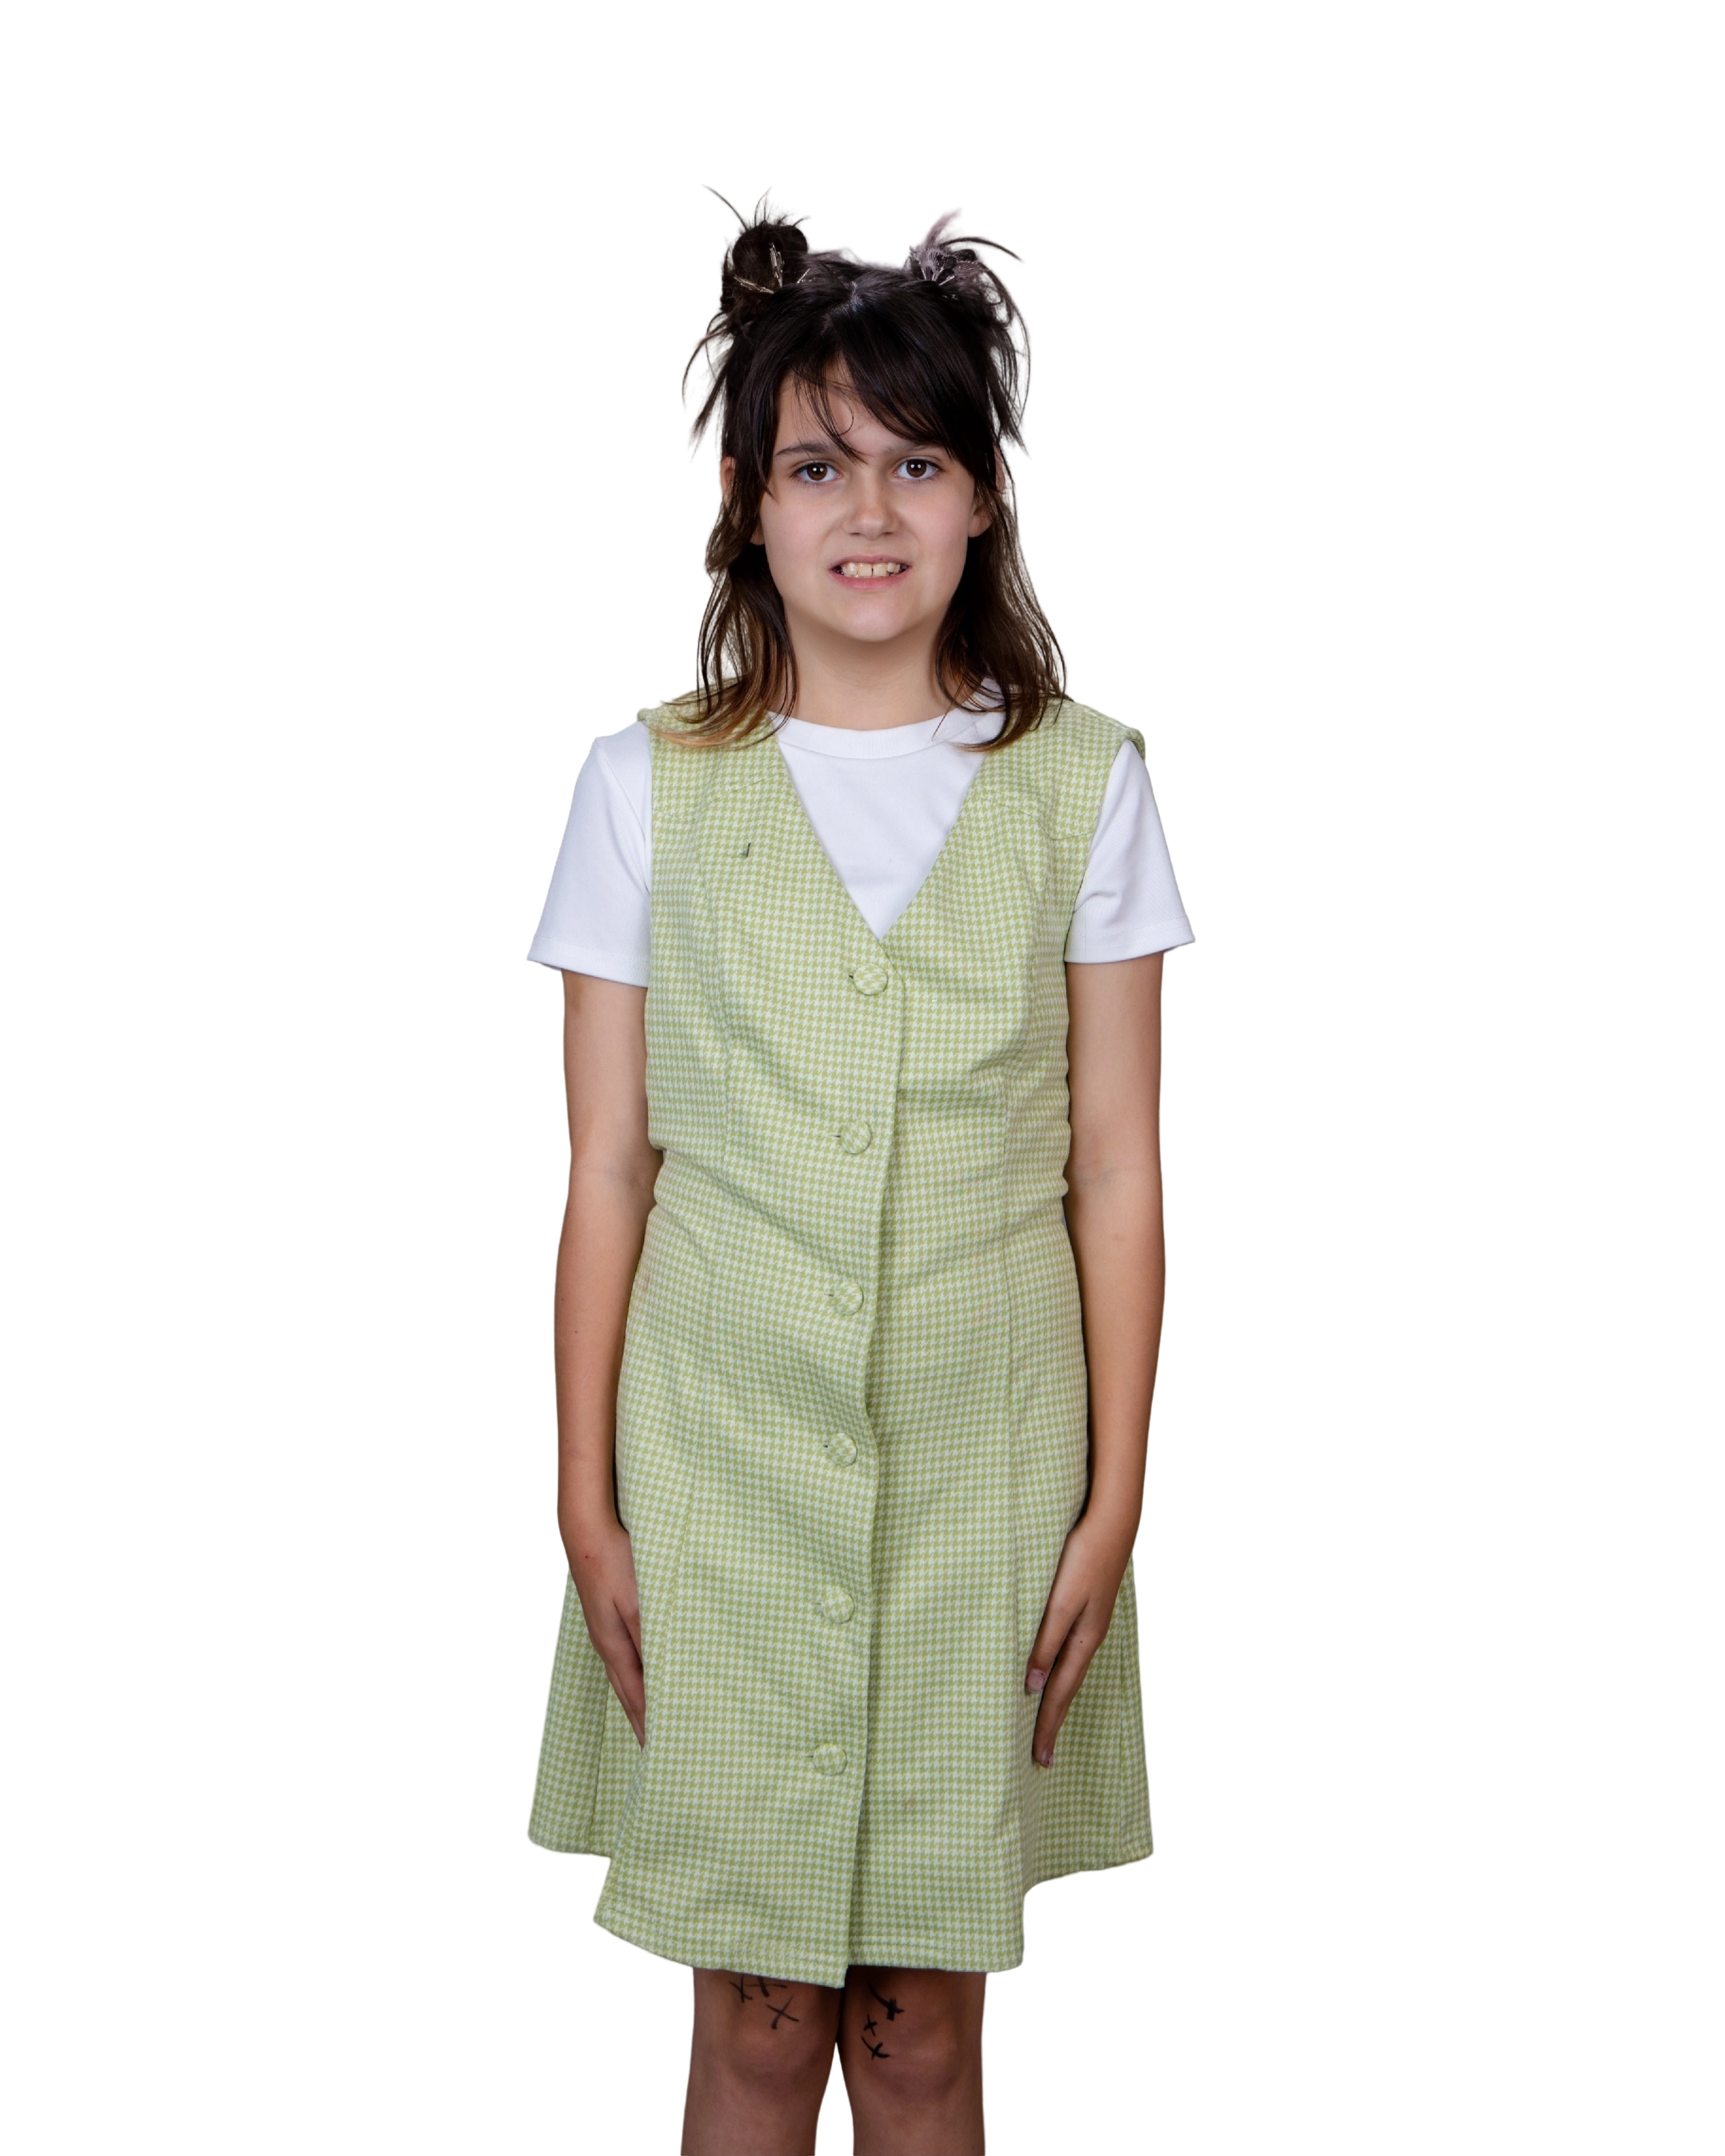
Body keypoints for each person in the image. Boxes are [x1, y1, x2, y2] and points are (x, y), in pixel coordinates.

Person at [521, 185, 1198, 2156]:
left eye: (919, 462)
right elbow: (607, 1171)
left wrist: (1116, 1494)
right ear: (746, 499)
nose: (871, 510)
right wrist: (585, 1496)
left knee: (915, 2023)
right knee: (754, 2018)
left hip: (991, 1469)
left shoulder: (1083, 780)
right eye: (819, 465)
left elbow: (1117, 1167)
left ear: (986, 498)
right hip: (717, 1470)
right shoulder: (644, 783)